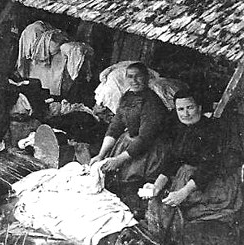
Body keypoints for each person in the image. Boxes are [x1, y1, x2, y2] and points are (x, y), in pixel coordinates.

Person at [140, 90, 242, 241]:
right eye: (180, 109)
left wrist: (183, 192)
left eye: (190, 107)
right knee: (159, 203)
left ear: (199, 108)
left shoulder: (212, 129)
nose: (185, 114)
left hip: (212, 182)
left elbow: (209, 167)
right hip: (186, 177)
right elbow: (171, 161)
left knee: (183, 215)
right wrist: (156, 186)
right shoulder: (179, 128)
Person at [89, 62, 169, 195]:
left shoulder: (151, 102)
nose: (134, 81)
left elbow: (145, 138)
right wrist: (101, 154)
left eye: (138, 76)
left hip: (150, 149)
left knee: (132, 185)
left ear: (147, 78)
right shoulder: (127, 97)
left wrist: (119, 160)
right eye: (130, 77)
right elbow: (115, 126)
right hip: (131, 143)